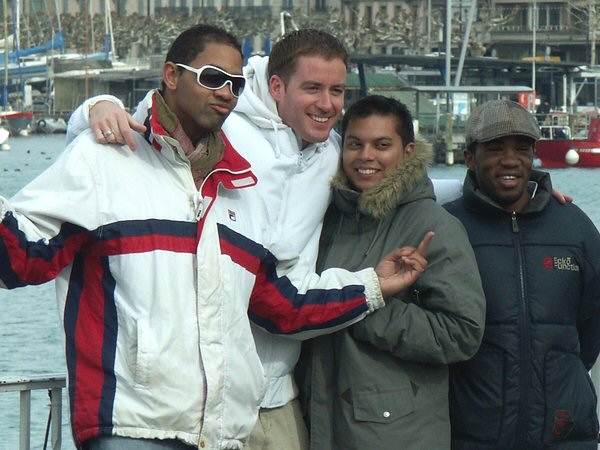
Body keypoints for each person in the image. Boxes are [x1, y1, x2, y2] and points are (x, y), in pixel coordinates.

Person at [0, 25, 428, 450]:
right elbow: (20, 258)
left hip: (224, 429)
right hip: (132, 427)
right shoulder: (108, 161)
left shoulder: (241, 190)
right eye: (211, 78)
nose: (225, 92)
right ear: (172, 75)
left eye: (234, 84)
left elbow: (279, 303)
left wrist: (374, 284)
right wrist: (96, 105)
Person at [295, 95, 485, 450]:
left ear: (408, 152)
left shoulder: (433, 225)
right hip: (319, 422)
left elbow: (462, 332)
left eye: (382, 145)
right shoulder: (325, 216)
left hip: (397, 433)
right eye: (355, 144)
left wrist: (361, 308)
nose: (366, 156)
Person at [445, 99, 600, 450]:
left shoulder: (574, 227)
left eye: (522, 148)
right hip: (470, 437)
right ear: (469, 158)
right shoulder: (447, 228)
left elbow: (592, 325)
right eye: (495, 148)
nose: (510, 159)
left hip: (565, 437)